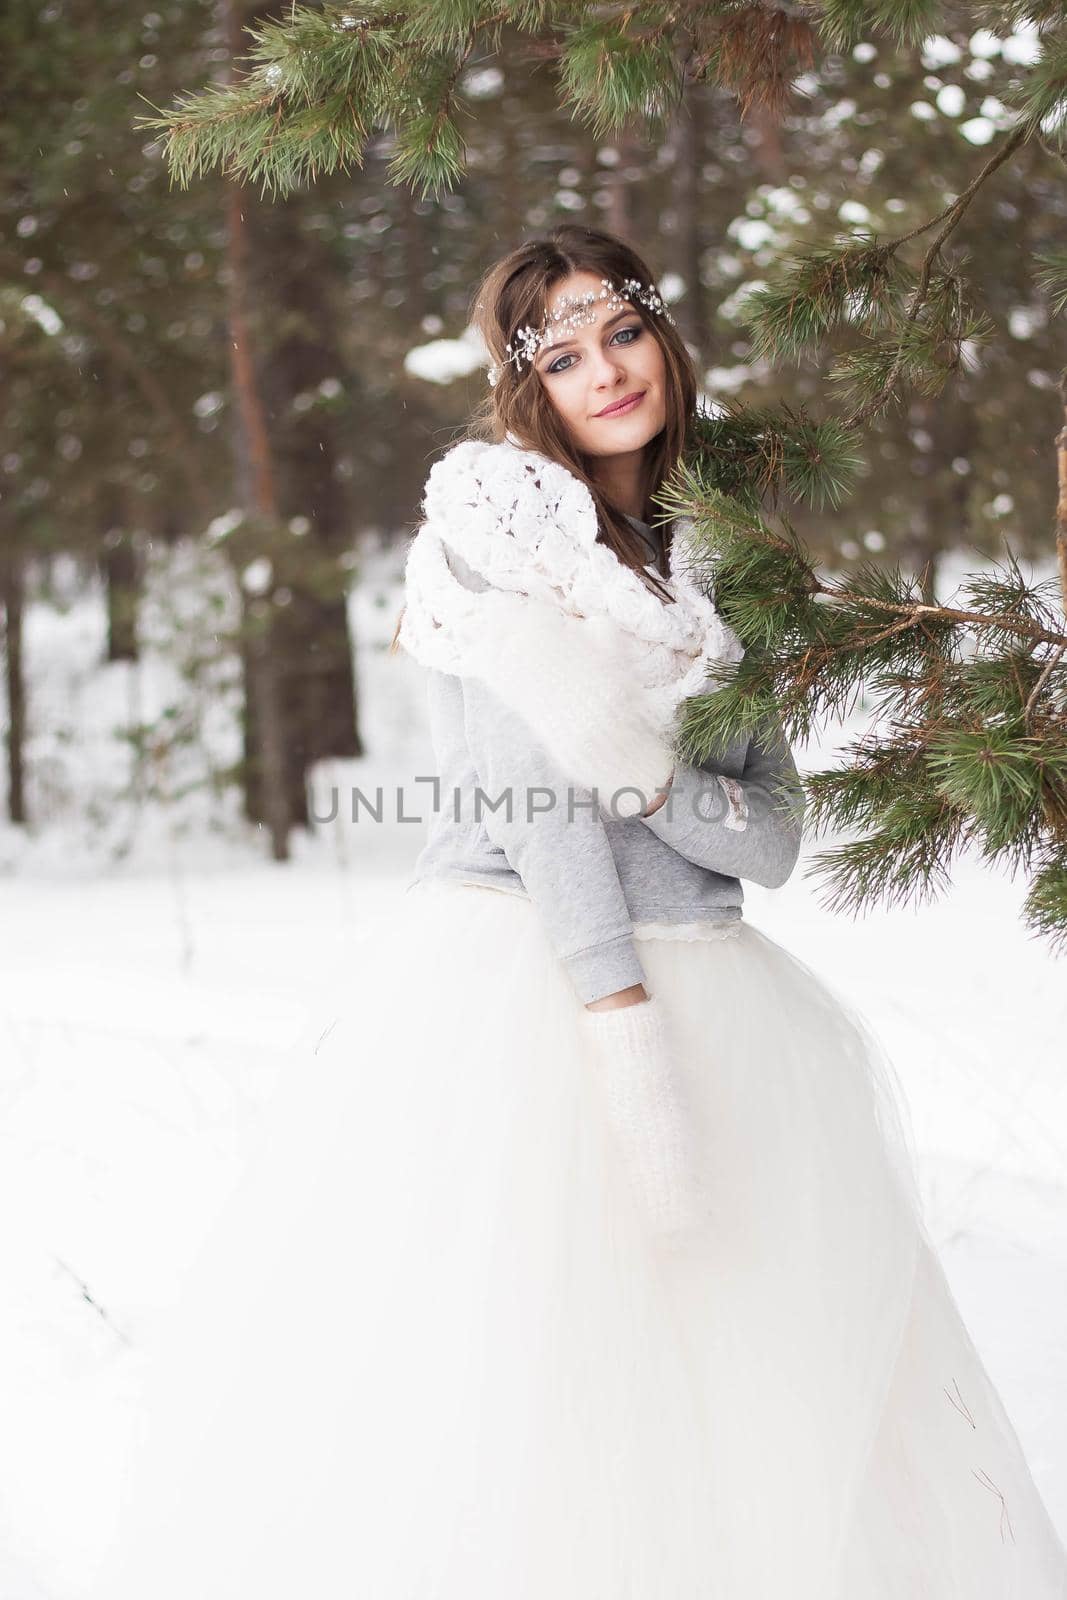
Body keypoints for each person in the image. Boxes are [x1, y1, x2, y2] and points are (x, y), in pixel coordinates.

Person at [83, 224, 1067, 1599]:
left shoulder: (729, 556)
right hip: (531, 980)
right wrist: (618, 1023)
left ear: (663, 334)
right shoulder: (494, 531)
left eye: (622, 331)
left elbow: (774, 841)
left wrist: (648, 776)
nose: (604, 370)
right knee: (532, 1356)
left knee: (741, 1359)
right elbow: (529, 801)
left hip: (719, 980)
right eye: (561, 351)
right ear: (525, 382)